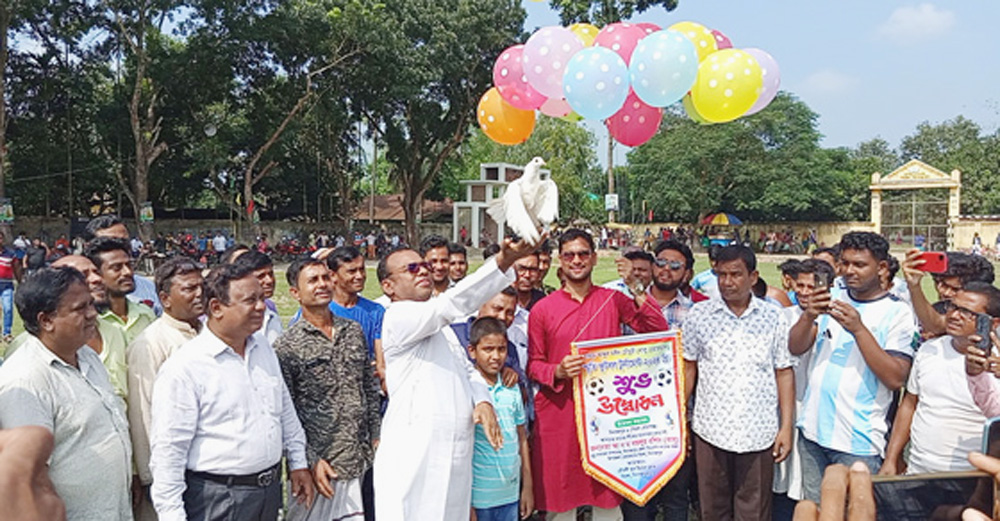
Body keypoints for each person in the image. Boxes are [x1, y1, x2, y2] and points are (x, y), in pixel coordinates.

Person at [373, 236, 537, 520]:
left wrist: (482, 401)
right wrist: (503, 261)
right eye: (412, 268)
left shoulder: (443, 330)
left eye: (423, 265)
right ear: (389, 286)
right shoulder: (398, 317)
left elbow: (468, 370)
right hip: (416, 455)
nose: (423, 271)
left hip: (455, 456)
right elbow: (450, 304)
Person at [149, 263, 314, 521]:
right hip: (219, 498)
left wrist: (298, 462)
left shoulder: (262, 347)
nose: (261, 307)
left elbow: (284, 410)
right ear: (216, 308)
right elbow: (169, 453)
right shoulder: (185, 368)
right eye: (250, 300)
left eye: (261, 298)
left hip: (269, 492)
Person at [527, 228, 668, 520]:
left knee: (606, 500)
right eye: (569, 255)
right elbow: (534, 365)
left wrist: (635, 286)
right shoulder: (542, 309)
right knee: (560, 502)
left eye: (583, 254)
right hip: (560, 411)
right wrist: (558, 370)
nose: (576, 260)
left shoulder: (612, 299)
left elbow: (656, 329)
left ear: (593, 258)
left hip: (606, 415)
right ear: (560, 260)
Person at [789, 231, 918, 503]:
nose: (849, 271)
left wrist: (859, 330)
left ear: (881, 267)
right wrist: (808, 316)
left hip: (858, 441)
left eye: (859, 265)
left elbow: (896, 378)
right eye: (845, 263)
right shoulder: (832, 296)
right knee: (815, 509)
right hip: (812, 432)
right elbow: (795, 347)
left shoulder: (898, 313)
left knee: (855, 511)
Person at [0, 267, 133, 520]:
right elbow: (29, 475)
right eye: (80, 309)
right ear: (46, 321)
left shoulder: (86, 355)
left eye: (90, 304)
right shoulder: (26, 379)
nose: (93, 314)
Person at [682, 245, 795, 521]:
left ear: (753, 277)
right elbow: (688, 367)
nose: (727, 282)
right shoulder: (699, 315)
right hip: (710, 430)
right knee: (712, 509)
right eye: (721, 275)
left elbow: (784, 372)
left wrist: (786, 427)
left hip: (758, 431)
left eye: (735, 274)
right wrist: (682, 417)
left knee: (754, 511)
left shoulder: (773, 317)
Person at [275, 259, 380, 521]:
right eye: (313, 280)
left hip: (359, 460)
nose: (322, 284)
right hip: (320, 467)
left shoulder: (352, 331)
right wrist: (309, 459)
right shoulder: (287, 346)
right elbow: (286, 412)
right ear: (295, 293)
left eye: (325, 278)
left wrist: (376, 435)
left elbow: (368, 387)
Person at [881, 282, 1000, 476]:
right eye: (953, 306)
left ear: (993, 323)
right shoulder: (930, 349)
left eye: (967, 312)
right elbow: (910, 404)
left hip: (973, 476)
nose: (954, 315)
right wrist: (891, 458)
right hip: (919, 471)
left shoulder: (997, 363)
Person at [127, 258, 205, 521]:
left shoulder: (207, 334)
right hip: (170, 473)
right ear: (165, 298)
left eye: (202, 286)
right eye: (189, 288)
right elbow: (143, 414)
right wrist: (152, 478)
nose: (199, 294)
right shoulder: (150, 343)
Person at [467, 317, 534, 521]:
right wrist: (465, 501)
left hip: (510, 495)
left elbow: (521, 438)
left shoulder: (511, 386)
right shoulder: (467, 389)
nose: (496, 356)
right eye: (488, 349)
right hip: (478, 498)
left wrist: (527, 487)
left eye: (501, 349)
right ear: (472, 351)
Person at [902, 249, 994, 338]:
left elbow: (936, 326)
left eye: (954, 289)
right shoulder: (940, 307)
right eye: (937, 282)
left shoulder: (987, 313)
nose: (942, 291)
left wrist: (914, 287)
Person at [85, 215, 162, 315]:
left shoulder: (148, 287)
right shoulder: (81, 295)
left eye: (125, 241)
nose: (120, 246)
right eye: (110, 242)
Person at [87, 237, 156, 346]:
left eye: (129, 265)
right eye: (117, 268)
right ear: (97, 274)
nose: (127, 272)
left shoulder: (145, 314)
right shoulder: (92, 322)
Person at [232, 250, 283, 345]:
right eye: (261, 276)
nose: (269, 280)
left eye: (271, 274)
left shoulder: (272, 316)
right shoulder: (234, 319)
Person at [0, 232, 22, 342]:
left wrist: (21, 282)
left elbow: (17, 268)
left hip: (7, 285)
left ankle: (7, 333)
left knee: (8, 308)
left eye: (0, 238)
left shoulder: (10, 253)